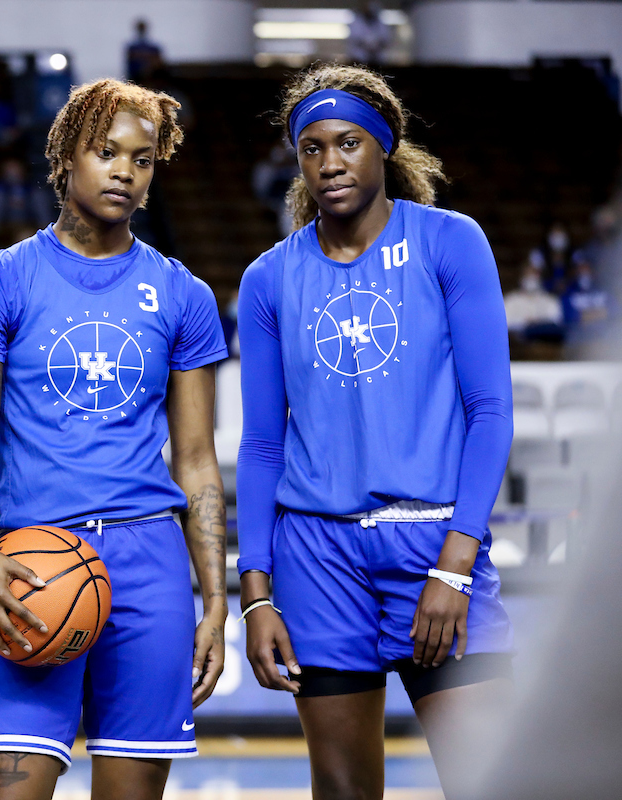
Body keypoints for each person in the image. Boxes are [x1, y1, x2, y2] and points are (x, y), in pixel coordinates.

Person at [0, 79, 229, 800]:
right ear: (64, 157)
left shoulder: (183, 295)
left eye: (142, 158)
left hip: (148, 564)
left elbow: (196, 461)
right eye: (106, 152)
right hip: (34, 562)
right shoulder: (0, 281)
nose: (125, 171)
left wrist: (215, 599)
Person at [236, 64, 514, 800]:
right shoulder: (268, 278)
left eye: (349, 143)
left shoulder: (451, 243)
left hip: (433, 542)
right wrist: (256, 591)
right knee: (344, 793)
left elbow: (490, 410)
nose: (330, 162)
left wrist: (456, 563)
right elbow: (263, 444)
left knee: (491, 780)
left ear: (383, 148)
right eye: (313, 148)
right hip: (317, 557)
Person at [503, 263, 563, 342]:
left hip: (546, 343)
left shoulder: (550, 300)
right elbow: (506, 323)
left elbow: (556, 320)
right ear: (521, 278)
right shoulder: (510, 300)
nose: (531, 278)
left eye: (535, 274)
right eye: (527, 274)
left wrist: (537, 323)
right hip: (518, 344)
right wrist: (525, 323)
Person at [346, 0, 393, 65]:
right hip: (359, 60)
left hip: (378, 60)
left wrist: (375, 47)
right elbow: (355, 39)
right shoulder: (356, 21)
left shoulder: (381, 22)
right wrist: (367, 46)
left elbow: (386, 39)